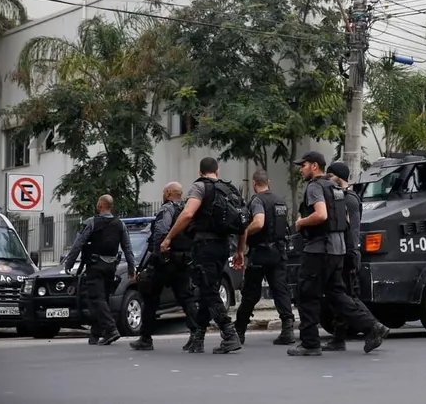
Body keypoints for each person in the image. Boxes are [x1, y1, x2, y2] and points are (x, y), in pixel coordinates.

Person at [287, 151, 389, 357]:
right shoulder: (335, 188)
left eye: (304, 165)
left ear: (315, 166)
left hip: (318, 249)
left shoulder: (315, 187)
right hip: (337, 250)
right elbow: (346, 221)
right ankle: (372, 326)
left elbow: (322, 214)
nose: (301, 169)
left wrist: (300, 222)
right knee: (337, 294)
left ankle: (309, 343)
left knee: (306, 295)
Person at [161, 157, 245, 354]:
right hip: (224, 246)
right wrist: (241, 250)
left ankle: (229, 333)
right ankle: (198, 337)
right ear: (218, 171)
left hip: (205, 246)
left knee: (208, 291)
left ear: (200, 173)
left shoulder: (200, 187)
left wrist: (168, 238)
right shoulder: (229, 190)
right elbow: (243, 222)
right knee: (209, 290)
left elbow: (188, 214)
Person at [130, 182, 200, 352]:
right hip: (182, 261)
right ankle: (197, 333)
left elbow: (161, 232)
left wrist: (158, 255)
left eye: (163, 191)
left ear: (168, 193)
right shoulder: (186, 211)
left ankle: (146, 338)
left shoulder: (167, 209)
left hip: (164, 262)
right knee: (186, 298)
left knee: (150, 297)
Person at [233, 170, 296, 346]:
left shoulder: (257, 200)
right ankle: (288, 329)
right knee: (280, 290)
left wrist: (244, 232)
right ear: (268, 182)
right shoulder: (280, 201)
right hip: (279, 252)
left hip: (260, 253)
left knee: (250, 293)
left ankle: (239, 331)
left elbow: (259, 222)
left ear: (254, 183)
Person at [64, 195, 136, 346]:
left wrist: (69, 262)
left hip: (95, 266)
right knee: (102, 299)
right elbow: (127, 248)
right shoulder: (120, 224)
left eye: (98, 203)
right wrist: (131, 267)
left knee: (96, 299)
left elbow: (78, 243)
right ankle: (95, 335)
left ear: (101, 205)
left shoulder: (92, 222)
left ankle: (111, 330)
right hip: (111, 268)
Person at [321, 161, 374, 352]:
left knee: (349, 296)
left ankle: (373, 328)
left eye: (330, 174)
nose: (327, 177)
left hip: (348, 252)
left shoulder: (350, 199)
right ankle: (339, 337)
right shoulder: (341, 197)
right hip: (343, 251)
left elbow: (353, 228)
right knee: (340, 295)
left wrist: (352, 253)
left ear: (338, 176)